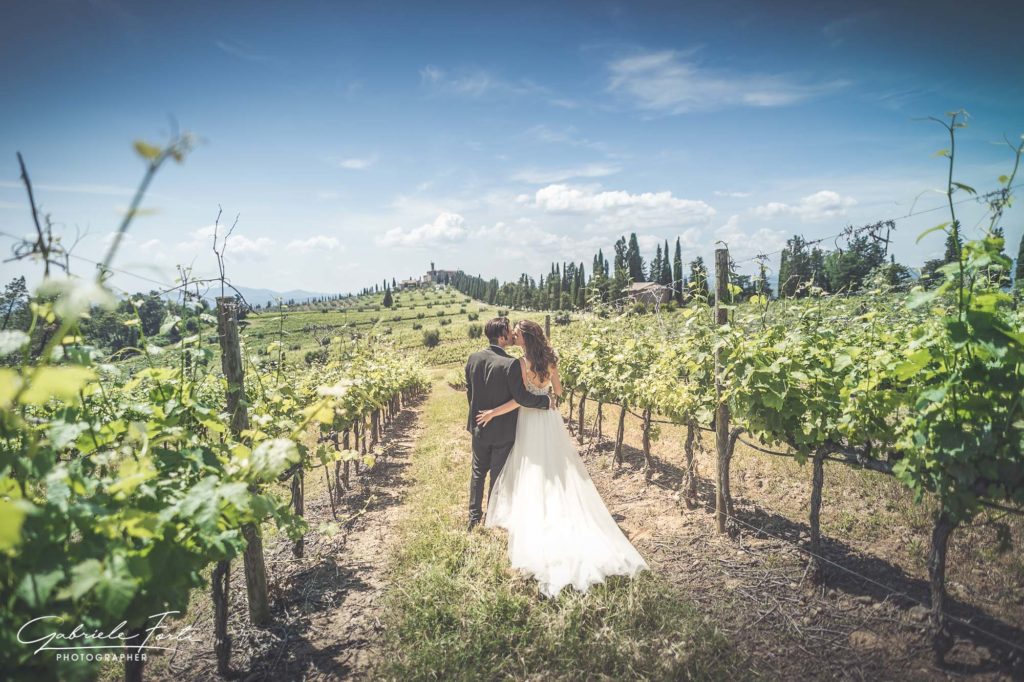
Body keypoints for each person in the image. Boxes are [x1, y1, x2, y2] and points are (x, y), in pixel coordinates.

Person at [475, 319, 649, 597]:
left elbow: (520, 399)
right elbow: (558, 392)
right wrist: (546, 393)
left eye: (517, 334)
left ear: (525, 338)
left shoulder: (520, 363)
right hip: (550, 419)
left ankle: (535, 510)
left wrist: (494, 412)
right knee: (555, 465)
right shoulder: (551, 359)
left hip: (529, 418)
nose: (513, 337)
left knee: (531, 464)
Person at [464, 317, 554, 531]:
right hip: (503, 429)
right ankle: (492, 515)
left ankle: (473, 518)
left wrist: (477, 414)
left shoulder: (473, 358)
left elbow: (470, 391)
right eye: (509, 331)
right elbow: (521, 397)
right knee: (497, 474)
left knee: (478, 472)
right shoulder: (511, 363)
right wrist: (545, 401)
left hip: (479, 425)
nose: (513, 335)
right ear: (502, 336)